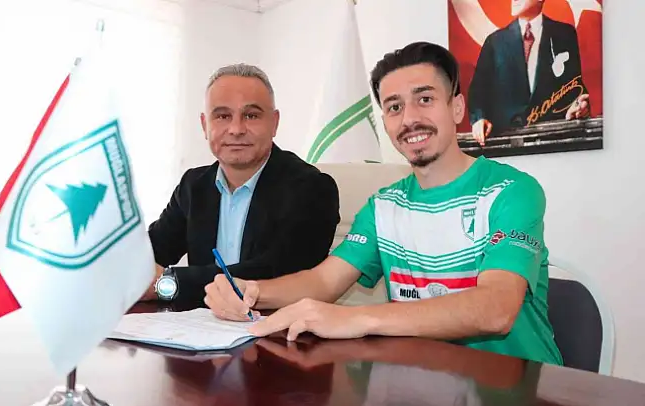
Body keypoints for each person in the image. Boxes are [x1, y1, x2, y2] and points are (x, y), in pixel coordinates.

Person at [203, 42, 563, 366]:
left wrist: (356, 319)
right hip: (422, 382)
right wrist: (251, 291)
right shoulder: (383, 206)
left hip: (519, 388)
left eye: (425, 99)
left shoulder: (511, 190)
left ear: (456, 108)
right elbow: (323, 281)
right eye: (394, 107)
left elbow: (495, 310)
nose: (409, 119)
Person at [141, 63, 340, 306]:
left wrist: (168, 283)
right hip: (201, 323)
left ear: (274, 123)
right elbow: (150, 253)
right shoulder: (193, 186)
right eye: (222, 116)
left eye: (251, 115)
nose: (236, 129)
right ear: (205, 125)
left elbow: (275, 273)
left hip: (277, 325)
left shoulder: (312, 188)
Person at [469, 0, 590, 145]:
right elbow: (477, 93)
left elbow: (574, 87)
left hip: (553, 140)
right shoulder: (494, 42)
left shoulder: (565, 35)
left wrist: (578, 106)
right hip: (506, 143)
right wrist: (479, 118)